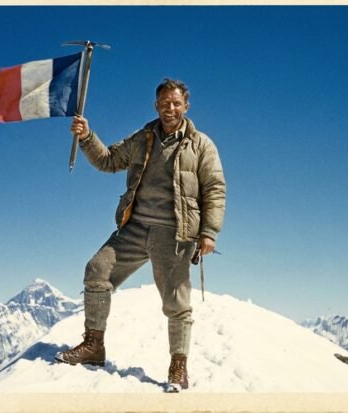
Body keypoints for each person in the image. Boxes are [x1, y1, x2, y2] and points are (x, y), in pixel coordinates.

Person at [55, 78, 226, 393]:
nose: (169, 108)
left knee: (177, 302)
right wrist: (87, 137)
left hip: (175, 233)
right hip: (134, 228)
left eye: (176, 103)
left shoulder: (201, 144)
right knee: (97, 270)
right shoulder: (143, 138)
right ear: (156, 105)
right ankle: (94, 346)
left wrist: (209, 232)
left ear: (186, 106)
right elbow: (108, 161)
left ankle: (178, 366)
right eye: (164, 102)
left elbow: (215, 189)